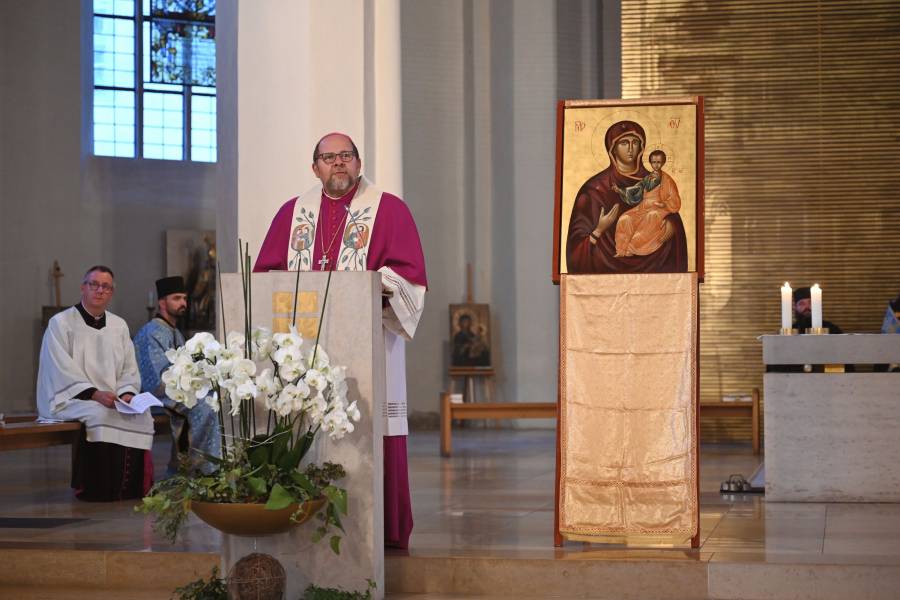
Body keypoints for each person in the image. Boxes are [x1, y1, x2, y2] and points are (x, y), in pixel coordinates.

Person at [254, 132, 427, 549]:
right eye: (329, 158)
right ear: (315, 167)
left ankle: (377, 531)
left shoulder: (388, 210)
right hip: (306, 349)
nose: (338, 164)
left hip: (371, 344)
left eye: (346, 156)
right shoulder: (292, 214)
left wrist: (369, 282)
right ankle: (300, 522)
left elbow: (411, 277)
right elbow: (264, 277)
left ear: (359, 162)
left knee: (372, 429)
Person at [36, 265, 154, 501]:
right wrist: (94, 394)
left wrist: (128, 393)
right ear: (83, 287)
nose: (99, 290)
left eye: (106, 286)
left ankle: (130, 489)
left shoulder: (119, 325)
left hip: (111, 398)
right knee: (100, 415)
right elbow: (59, 368)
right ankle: (98, 489)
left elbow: (128, 368)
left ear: (111, 292)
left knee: (143, 415)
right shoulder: (61, 323)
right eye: (94, 284)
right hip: (68, 398)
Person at [566, 120, 688, 273]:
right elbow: (575, 252)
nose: (630, 148)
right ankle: (624, 248)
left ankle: (634, 246)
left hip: (654, 272)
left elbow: (671, 204)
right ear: (613, 149)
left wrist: (672, 225)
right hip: (605, 276)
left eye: (635, 142)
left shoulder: (658, 179)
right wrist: (598, 230)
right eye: (624, 143)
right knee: (626, 219)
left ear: (641, 147)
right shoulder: (595, 189)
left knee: (650, 219)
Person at [133, 276, 221, 476]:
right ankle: (200, 470)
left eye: (184, 298)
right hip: (155, 395)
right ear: (162, 302)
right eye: (176, 298)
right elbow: (154, 379)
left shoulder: (175, 332)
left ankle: (189, 467)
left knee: (213, 399)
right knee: (204, 407)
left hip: (176, 391)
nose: (183, 303)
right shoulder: (151, 332)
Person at [613, 150, 682, 257]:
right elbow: (636, 189)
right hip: (643, 207)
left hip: (659, 208)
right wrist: (620, 190)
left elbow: (675, 199)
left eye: (659, 162)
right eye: (654, 162)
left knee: (651, 216)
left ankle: (632, 248)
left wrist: (664, 204)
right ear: (650, 163)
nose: (656, 165)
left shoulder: (667, 180)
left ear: (663, 162)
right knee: (625, 218)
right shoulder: (648, 178)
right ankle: (621, 250)